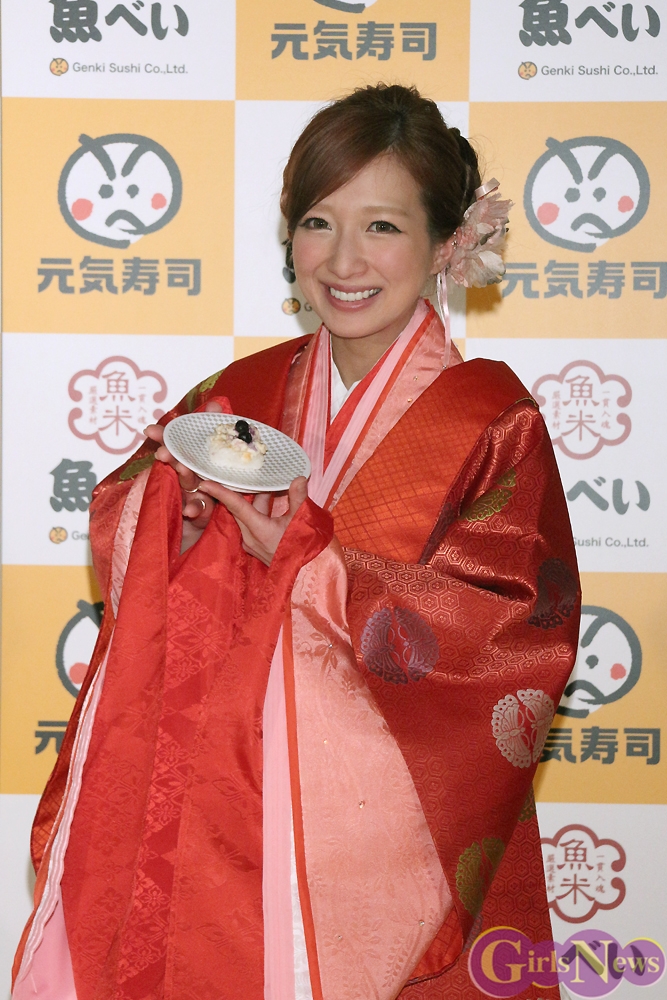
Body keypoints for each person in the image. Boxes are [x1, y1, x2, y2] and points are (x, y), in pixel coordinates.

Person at [13, 84, 580, 1000]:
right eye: (318, 222)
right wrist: (175, 519)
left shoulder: (490, 420)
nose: (343, 260)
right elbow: (133, 526)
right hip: (221, 806)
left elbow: (509, 635)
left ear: (447, 243)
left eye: (382, 226)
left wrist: (315, 567)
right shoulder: (237, 395)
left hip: (378, 830)